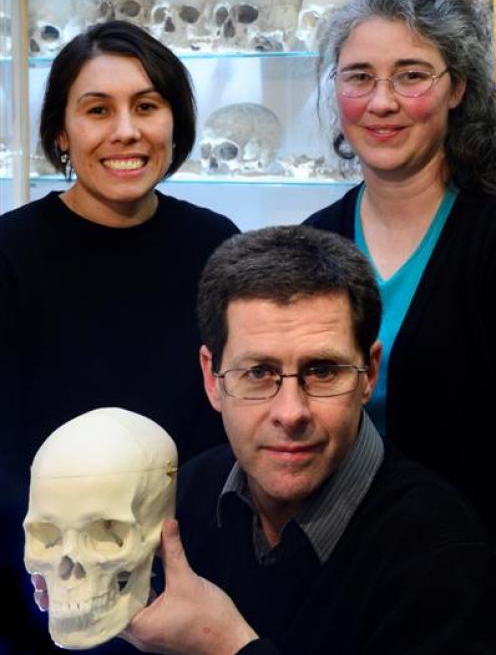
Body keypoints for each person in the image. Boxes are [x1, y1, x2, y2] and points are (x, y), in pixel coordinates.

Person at [41, 224, 491, 655]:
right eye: (257, 373)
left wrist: (229, 648)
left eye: (322, 371)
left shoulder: (442, 554)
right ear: (211, 379)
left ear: (369, 374)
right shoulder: (191, 492)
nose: (290, 412)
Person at [0, 20, 238, 654]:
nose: (125, 131)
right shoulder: (9, 255)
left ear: (174, 123)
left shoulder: (216, 246)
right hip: (51, 586)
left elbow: (230, 420)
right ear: (60, 131)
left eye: (147, 106)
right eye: (97, 110)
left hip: (193, 584)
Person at [302, 0, 496, 534]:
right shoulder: (312, 241)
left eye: (410, 76)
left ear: (457, 87)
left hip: (468, 566)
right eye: (359, 76)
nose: (381, 102)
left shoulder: (484, 237)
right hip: (338, 560)